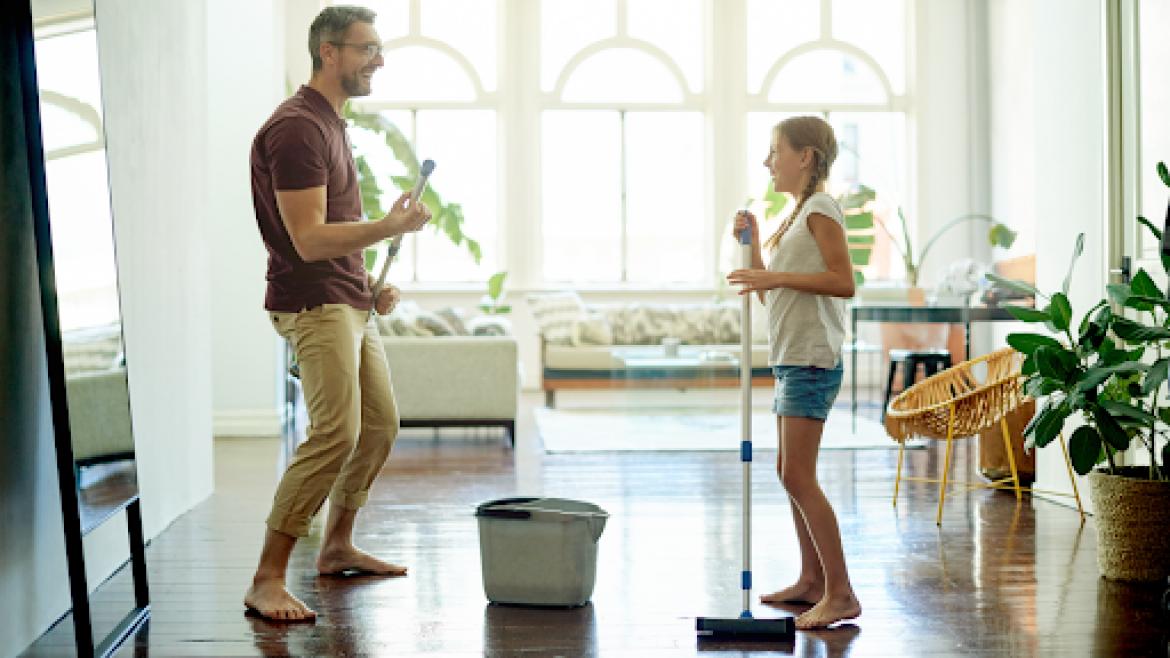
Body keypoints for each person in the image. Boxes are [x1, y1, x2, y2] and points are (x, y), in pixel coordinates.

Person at [244, 5, 431, 622]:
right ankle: (267, 577)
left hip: (345, 297)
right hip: (313, 304)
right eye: (367, 48)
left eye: (378, 48)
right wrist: (389, 226)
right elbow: (308, 240)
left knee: (378, 426)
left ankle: (337, 545)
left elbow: (335, 237)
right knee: (335, 434)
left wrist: (368, 286)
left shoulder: (331, 124)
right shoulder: (297, 129)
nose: (379, 60)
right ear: (329, 52)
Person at [726, 116, 861, 630]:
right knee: (789, 472)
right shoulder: (795, 214)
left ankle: (841, 593)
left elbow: (843, 281)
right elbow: (773, 291)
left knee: (797, 474)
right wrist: (757, 244)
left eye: (775, 150)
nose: (767, 161)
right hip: (791, 356)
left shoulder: (822, 208)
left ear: (805, 157)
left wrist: (775, 272)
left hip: (811, 359)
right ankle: (811, 582)